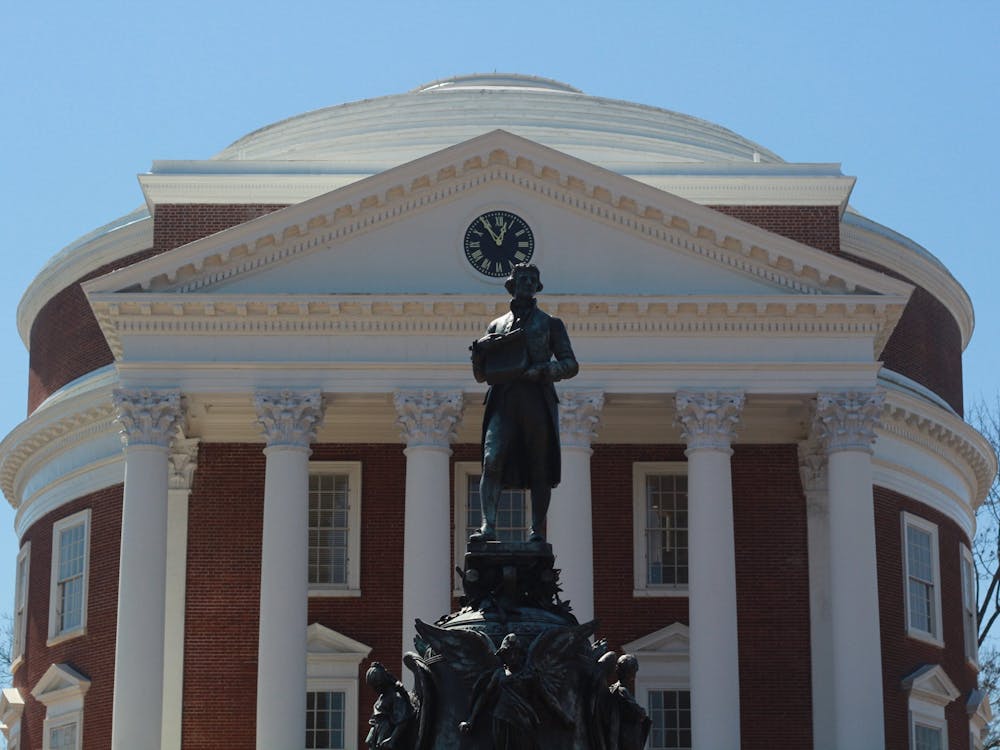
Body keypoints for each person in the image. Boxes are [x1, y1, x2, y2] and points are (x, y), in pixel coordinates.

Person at [470, 264, 578, 542]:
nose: (528, 283)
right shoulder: (496, 325)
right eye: (522, 279)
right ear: (511, 284)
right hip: (504, 400)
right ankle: (488, 527)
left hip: (535, 398)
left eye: (533, 279)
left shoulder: (550, 323)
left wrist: (543, 370)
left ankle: (536, 532)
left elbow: (570, 364)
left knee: (538, 464)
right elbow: (483, 376)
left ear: (538, 287)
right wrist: (478, 355)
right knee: (491, 460)